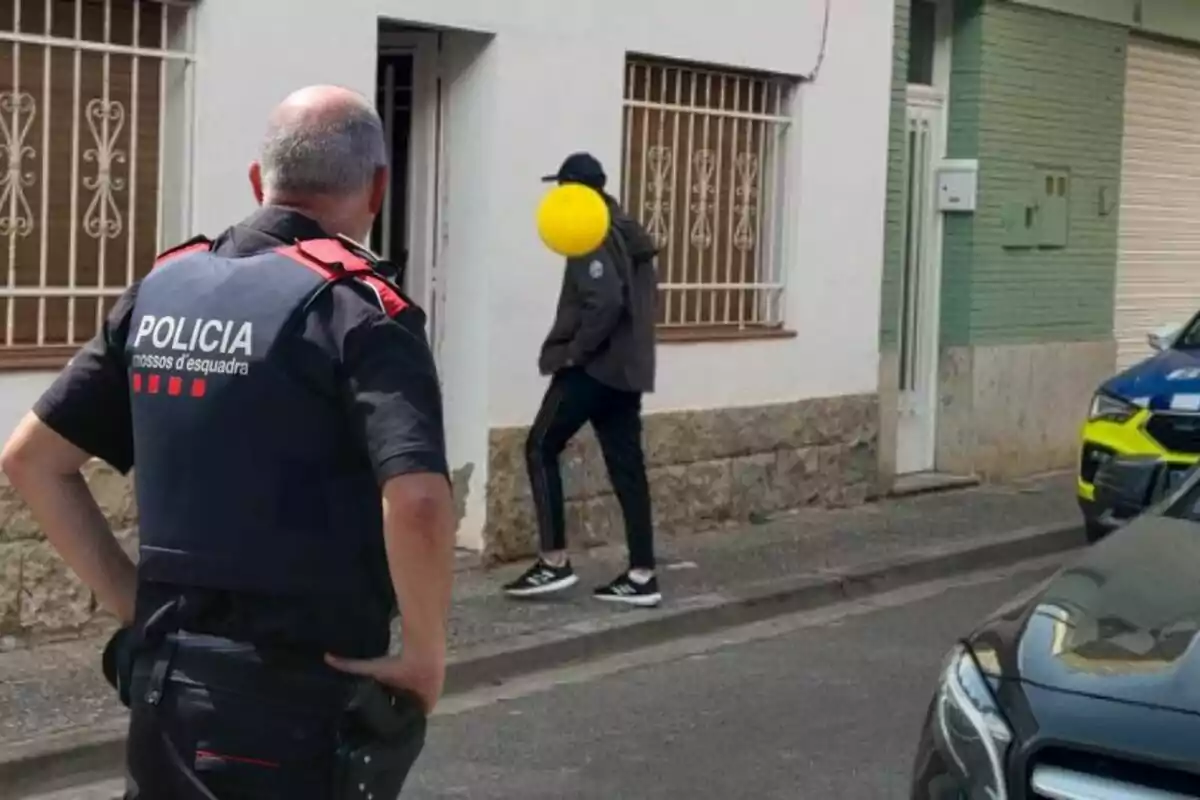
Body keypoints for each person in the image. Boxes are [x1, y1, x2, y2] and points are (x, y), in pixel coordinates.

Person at [0, 85, 455, 799]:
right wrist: (426, 657)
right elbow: (420, 501)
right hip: (302, 704)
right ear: (378, 187)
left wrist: (135, 605)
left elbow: (30, 461)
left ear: (257, 179)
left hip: (166, 692)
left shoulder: (161, 290)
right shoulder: (360, 313)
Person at [503, 152, 662, 607]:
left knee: (539, 446)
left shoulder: (589, 233)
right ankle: (642, 575)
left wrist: (576, 353)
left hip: (594, 370)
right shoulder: (626, 229)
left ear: (574, 191)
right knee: (628, 469)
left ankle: (553, 563)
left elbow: (606, 300)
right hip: (627, 371)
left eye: (561, 188)